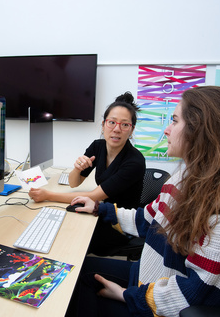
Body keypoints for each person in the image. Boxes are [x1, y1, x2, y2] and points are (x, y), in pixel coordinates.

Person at [65, 86, 220, 317]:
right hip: (149, 276)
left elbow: (194, 296)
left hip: (160, 304)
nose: (166, 130)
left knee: (72, 295)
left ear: (201, 131)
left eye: (174, 121)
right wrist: (99, 208)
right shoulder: (185, 179)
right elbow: (146, 220)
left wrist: (126, 295)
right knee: (73, 273)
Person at [29, 92, 146, 255]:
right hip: (97, 210)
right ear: (103, 125)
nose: (117, 129)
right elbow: (73, 183)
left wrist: (47, 195)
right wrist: (77, 169)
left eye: (124, 125)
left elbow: (94, 196)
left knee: (66, 237)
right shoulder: (98, 146)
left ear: (131, 130)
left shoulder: (134, 162)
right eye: (112, 122)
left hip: (118, 224)